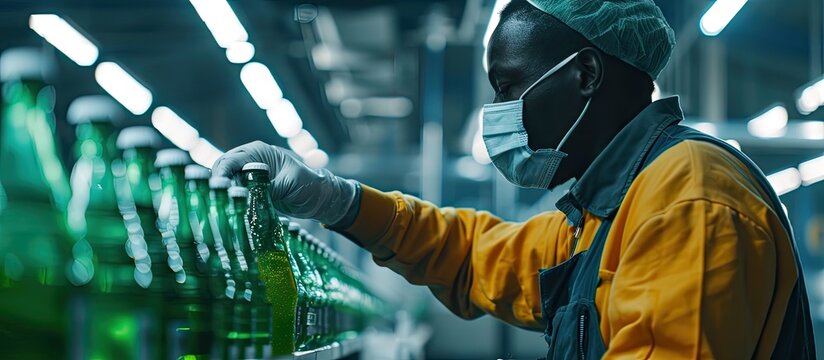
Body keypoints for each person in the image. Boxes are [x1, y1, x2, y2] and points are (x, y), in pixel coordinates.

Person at [212, 0, 815, 358]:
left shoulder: (688, 199)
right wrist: (335, 199)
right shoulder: (607, 208)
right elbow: (475, 256)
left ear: (584, 76)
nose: (498, 112)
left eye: (507, 85)